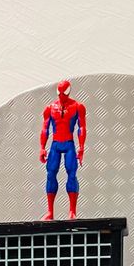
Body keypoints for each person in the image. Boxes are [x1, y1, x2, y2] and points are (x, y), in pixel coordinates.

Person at [39, 80, 86, 221]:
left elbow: (82, 127)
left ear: (68, 91)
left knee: (72, 174)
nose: (61, 95)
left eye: (64, 92)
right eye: (59, 92)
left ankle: (72, 211)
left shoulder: (77, 107)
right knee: (50, 174)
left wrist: (81, 147)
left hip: (69, 143)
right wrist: (42, 148)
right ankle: (50, 212)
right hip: (55, 144)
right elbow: (45, 129)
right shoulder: (50, 108)